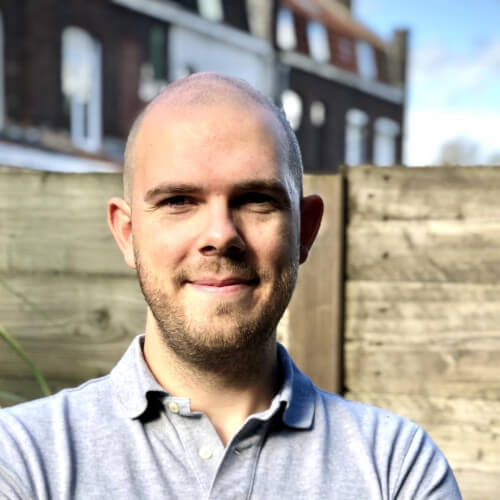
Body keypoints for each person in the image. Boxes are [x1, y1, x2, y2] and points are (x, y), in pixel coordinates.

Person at [0, 73, 461, 499]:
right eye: (179, 201)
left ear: (305, 230)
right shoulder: (22, 460)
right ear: (127, 234)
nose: (221, 235)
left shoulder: (397, 468)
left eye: (256, 200)